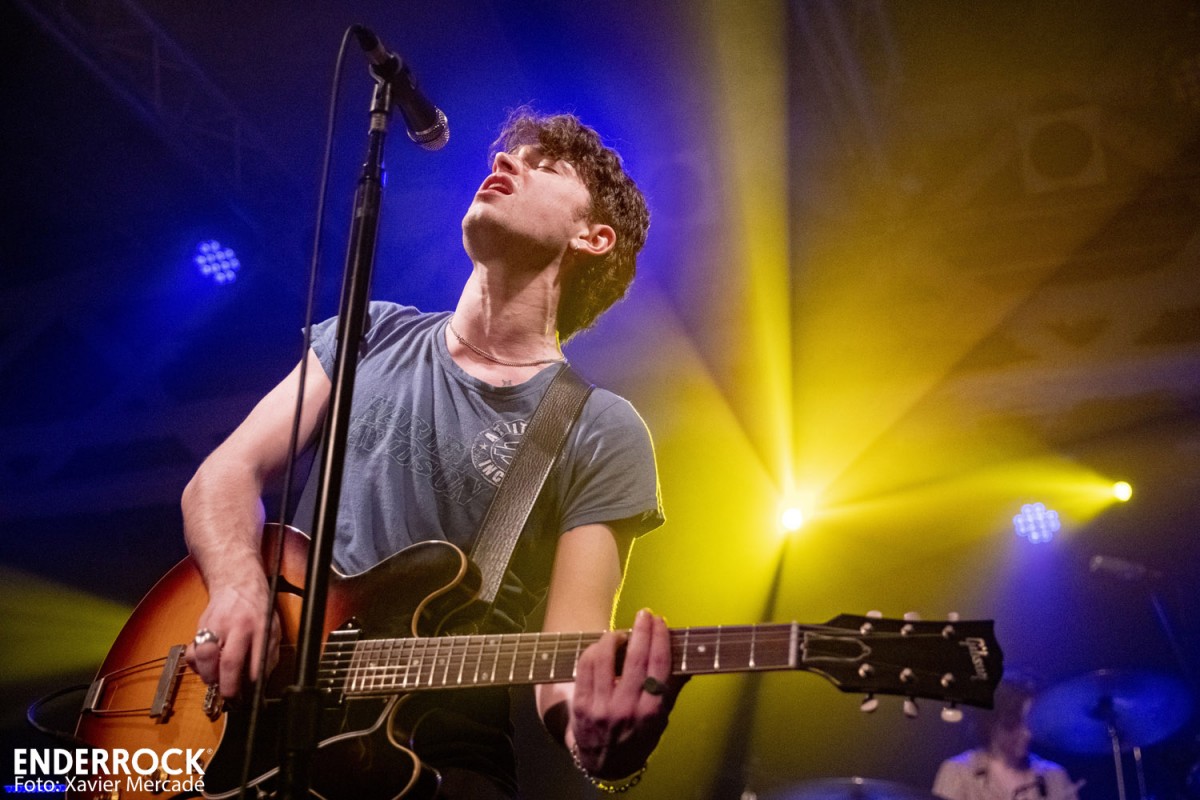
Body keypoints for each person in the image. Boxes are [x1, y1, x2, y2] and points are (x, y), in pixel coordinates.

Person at [181, 108, 683, 798]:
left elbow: (570, 654)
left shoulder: (599, 427)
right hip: (256, 736)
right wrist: (238, 586)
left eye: (544, 166)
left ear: (592, 237)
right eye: (510, 155)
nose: (504, 162)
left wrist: (603, 747)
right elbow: (224, 474)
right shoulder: (371, 333)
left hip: (438, 755)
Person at [933, 678, 1080, 800]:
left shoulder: (1054, 777)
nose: (1027, 733)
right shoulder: (959, 772)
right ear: (990, 722)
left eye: (1031, 723)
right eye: (1014, 723)